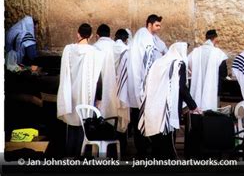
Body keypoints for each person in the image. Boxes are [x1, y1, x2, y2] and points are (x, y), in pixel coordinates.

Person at [138, 42, 201, 159]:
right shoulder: (179, 64)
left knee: (157, 143)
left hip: (154, 106)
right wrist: (193, 106)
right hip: (169, 108)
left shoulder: (159, 62)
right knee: (168, 142)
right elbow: (182, 88)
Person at [56, 23, 105, 157]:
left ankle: (69, 156)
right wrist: (99, 98)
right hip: (86, 95)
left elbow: (64, 73)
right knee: (84, 124)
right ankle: (80, 156)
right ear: (90, 36)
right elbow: (98, 78)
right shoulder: (95, 53)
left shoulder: (68, 50)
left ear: (78, 34)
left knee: (71, 125)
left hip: (70, 93)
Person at [127, 14, 167, 157]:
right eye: (157, 25)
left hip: (140, 86)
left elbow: (163, 48)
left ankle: (143, 149)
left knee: (141, 119)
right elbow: (148, 63)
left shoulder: (147, 37)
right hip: (143, 87)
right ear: (149, 24)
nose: (159, 28)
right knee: (141, 119)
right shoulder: (145, 38)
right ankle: (143, 151)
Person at [94, 24, 130, 153]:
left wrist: (97, 97)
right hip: (119, 89)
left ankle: (102, 150)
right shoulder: (116, 46)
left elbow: (97, 76)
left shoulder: (94, 48)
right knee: (118, 118)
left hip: (101, 90)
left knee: (103, 117)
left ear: (97, 35)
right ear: (110, 35)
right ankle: (120, 150)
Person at [188, 29, 228, 111]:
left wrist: (194, 72)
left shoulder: (196, 51)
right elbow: (223, 73)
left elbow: (187, 63)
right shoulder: (218, 53)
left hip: (198, 86)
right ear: (215, 38)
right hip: (212, 87)